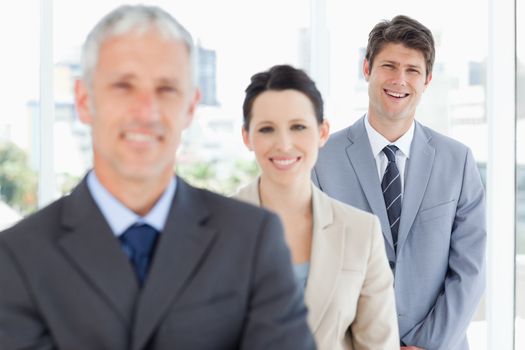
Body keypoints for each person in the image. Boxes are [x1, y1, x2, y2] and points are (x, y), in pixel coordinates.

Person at [0, 5, 315, 350]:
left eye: (166, 89)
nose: (146, 111)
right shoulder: (18, 257)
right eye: (124, 86)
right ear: (84, 100)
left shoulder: (252, 240)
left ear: (191, 106)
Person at [313, 15, 486, 350]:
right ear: (367, 69)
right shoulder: (322, 159)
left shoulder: (458, 161)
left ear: (427, 80)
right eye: (388, 66)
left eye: (412, 70)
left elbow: (470, 269)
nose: (399, 80)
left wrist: (427, 344)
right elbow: (315, 269)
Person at [235, 64, 399, 350]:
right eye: (266, 129)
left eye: (298, 127)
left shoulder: (360, 231)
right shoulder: (210, 230)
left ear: (322, 132)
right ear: (247, 137)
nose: (284, 144)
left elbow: (378, 344)